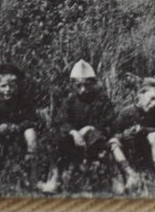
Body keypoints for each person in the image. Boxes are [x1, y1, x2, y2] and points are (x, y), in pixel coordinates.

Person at [36, 59, 114, 194]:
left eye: (87, 85)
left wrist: (90, 129)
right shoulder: (70, 100)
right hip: (73, 139)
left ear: (94, 84)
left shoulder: (102, 100)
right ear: (73, 85)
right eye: (79, 85)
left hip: (94, 138)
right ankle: (54, 177)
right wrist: (73, 132)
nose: (83, 89)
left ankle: (99, 180)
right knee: (54, 138)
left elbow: (109, 122)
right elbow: (61, 120)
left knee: (100, 143)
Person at [0, 63, 41, 194]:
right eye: (3, 86)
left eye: (12, 86)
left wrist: (17, 127)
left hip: (18, 132)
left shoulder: (22, 102)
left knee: (31, 133)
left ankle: (33, 176)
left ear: (17, 87)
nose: (8, 89)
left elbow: (30, 120)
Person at [107, 77, 155, 194]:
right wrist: (124, 135)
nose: (154, 104)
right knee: (113, 142)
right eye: (152, 98)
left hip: (152, 152)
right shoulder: (127, 112)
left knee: (154, 136)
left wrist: (145, 130)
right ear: (141, 94)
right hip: (131, 152)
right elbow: (114, 132)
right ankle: (129, 174)